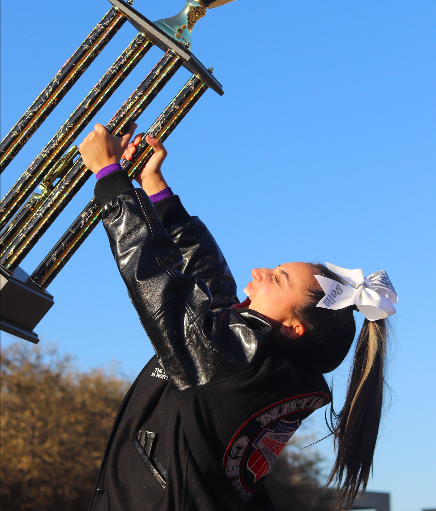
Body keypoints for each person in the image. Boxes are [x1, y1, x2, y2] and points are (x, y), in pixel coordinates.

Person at [79, 123, 398, 511]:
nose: (260, 272)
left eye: (278, 279)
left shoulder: (237, 362)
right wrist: (157, 190)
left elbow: (159, 286)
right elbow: (209, 284)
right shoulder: (261, 366)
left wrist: (111, 181)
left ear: (295, 328)